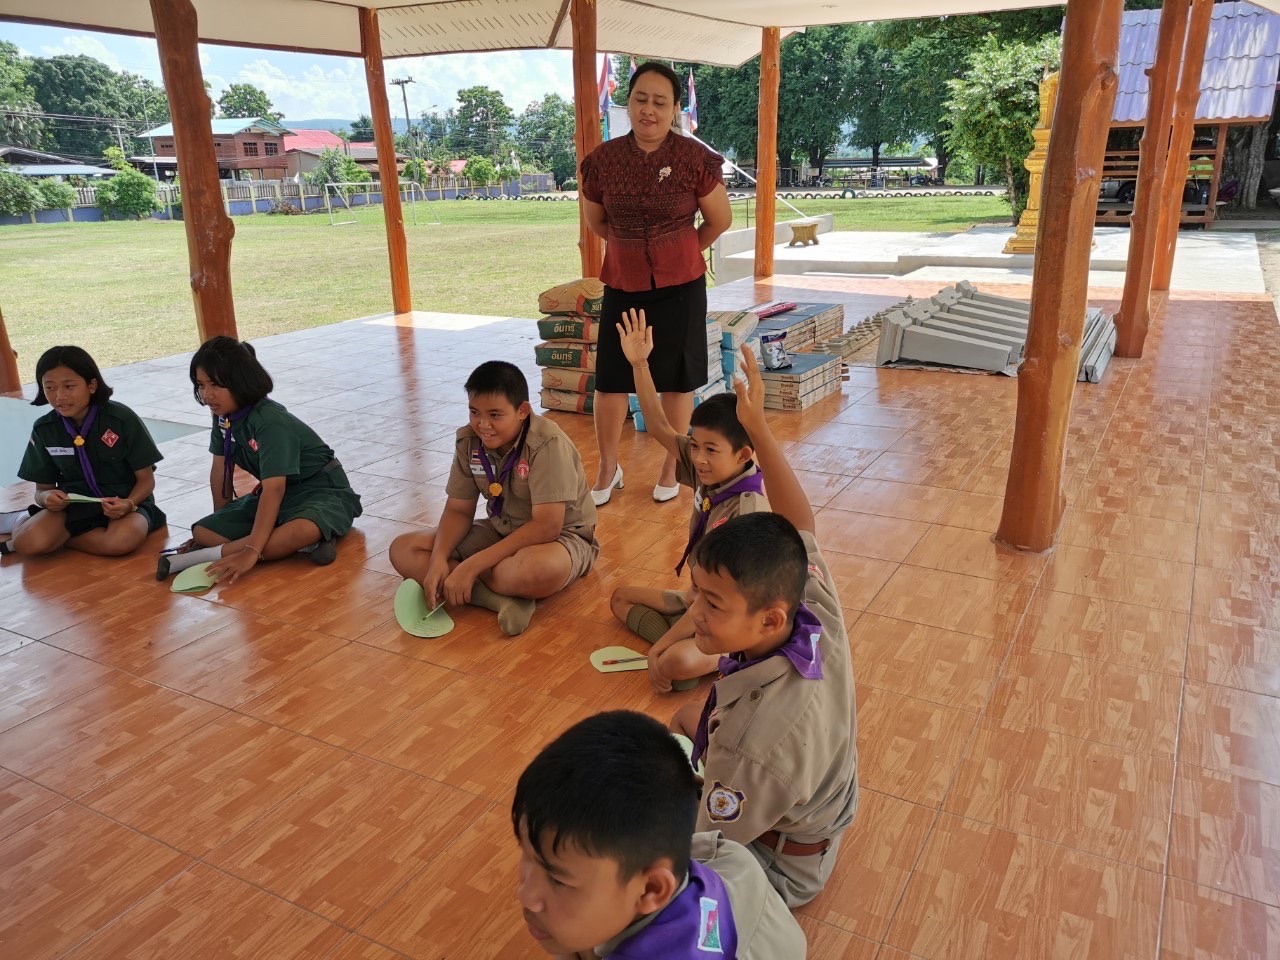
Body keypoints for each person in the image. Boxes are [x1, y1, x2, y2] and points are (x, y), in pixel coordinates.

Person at [668, 347, 858, 908]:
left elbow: (710, 846)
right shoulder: (810, 608)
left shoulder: (754, 742)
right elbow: (801, 525)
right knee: (685, 719)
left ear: (769, 617)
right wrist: (757, 425)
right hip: (815, 814)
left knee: (622, 838)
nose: (695, 614)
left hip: (780, 868)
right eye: (698, 595)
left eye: (713, 604)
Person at [513, 710, 806, 959]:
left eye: (559, 880)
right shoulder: (725, 856)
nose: (525, 895)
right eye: (526, 854)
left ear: (651, 889)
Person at [580, 61, 732, 507]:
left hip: (681, 287)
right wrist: (631, 248)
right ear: (628, 104)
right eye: (640, 99)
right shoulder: (602, 161)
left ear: (675, 109)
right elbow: (598, 223)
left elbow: (719, 219)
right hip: (623, 283)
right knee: (610, 380)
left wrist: (680, 250)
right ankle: (608, 467)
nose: (649, 109)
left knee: (677, 380)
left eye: (660, 102)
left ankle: (672, 463)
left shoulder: (694, 159)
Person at [609, 308, 769, 692]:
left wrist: (659, 647)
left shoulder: (747, 510)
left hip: (729, 617)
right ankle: (683, 650)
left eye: (710, 450)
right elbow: (658, 424)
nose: (698, 458)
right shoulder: (709, 468)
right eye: (695, 446)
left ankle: (692, 654)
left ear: (744, 455)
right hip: (695, 599)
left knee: (675, 660)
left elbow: (719, 598)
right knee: (619, 598)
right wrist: (640, 364)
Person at [388, 360, 598, 637]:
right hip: (501, 529)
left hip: (560, 538)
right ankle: (501, 600)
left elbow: (547, 526)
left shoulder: (547, 443)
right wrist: (438, 558)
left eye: (495, 415)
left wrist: (472, 565)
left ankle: (472, 580)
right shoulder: (469, 441)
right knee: (404, 549)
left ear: (522, 411)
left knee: (538, 571)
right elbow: (458, 510)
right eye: (474, 412)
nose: (483, 424)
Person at [156, 336, 362, 585]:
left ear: (241, 382)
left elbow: (275, 489)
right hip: (280, 497)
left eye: (215, 385)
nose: (207, 394)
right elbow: (220, 470)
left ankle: (206, 556)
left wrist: (251, 553)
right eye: (201, 385)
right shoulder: (223, 416)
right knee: (203, 531)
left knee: (300, 530)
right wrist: (222, 520)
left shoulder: (269, 420)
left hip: (321, 490)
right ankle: (307, 541)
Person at [1, 346, 166, 557]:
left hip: (126, 503)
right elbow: (42, 490)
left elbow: (146, 480)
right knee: (27, 544)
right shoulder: (45, 429)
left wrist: (129, 503)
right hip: (73, 507)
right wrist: (46, 498)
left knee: (120, 542)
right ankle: (26, 521)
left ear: (92, 385)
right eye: (50, 387)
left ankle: (58, 537)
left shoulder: (121, 419)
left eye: (69, 386)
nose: (59, 396)